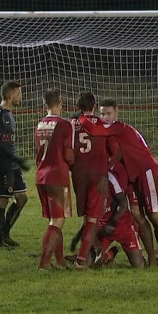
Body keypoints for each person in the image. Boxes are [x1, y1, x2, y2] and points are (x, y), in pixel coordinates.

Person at [78, 99, 158, 267]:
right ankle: (151, 256)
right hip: (134, 175)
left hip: (147, 171)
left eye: (108, 113)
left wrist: (81, 117)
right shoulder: (115, 131)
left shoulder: (118, 126)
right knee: (137, 213)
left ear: (116, 113)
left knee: (156, 214)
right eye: (102, 113)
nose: (105, 117)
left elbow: (94, 130)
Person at [69, 92, 110, 270]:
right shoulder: (102, 123)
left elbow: (68, 150)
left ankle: (86, 252)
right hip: (98, 174)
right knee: (92, 218)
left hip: (78, 174)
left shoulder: (71, 123)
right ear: (94, 106)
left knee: (87, 217)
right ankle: (81, 259)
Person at [34, 89, 74, 270]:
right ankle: (44, 263)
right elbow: (68, 154)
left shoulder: (40, 124)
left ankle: (60, 261)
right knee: (57, 222)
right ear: (60, 102)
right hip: (57, 176)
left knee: (55, 220)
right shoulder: (65, 125)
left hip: (41, 176)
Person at [0, 81, 29, 248]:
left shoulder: (9, 114)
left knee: (21, 198)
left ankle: (5, 233)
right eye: (19, 94)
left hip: (11, 165)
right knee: (3, 200)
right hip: (1, 165)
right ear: (10, 95)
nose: (21, 97)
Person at [93, 160, 146, 268]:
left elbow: (123, 203)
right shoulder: (86, 181)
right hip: (102, 227)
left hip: (123, 226)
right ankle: (108, 255)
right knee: (90, 265)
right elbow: (87, 215)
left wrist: (111, 223)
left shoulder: (111, 177)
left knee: (139, 266)